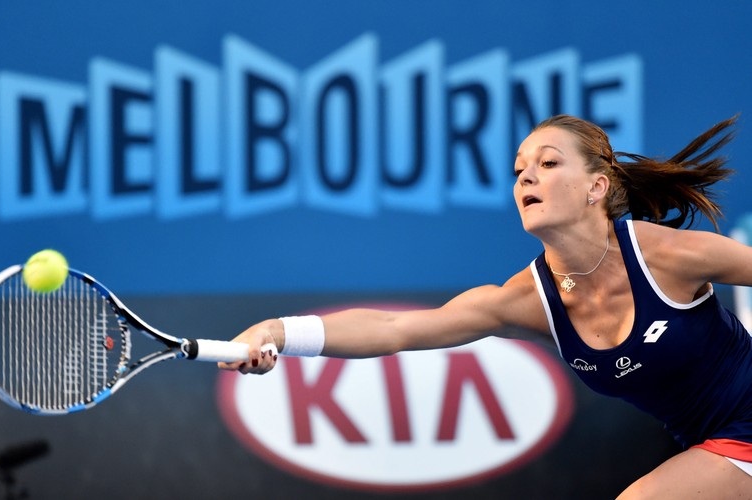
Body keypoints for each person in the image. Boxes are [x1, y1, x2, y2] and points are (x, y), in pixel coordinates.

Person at [220, 114, 752, 498]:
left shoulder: (666, 256)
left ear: (597, 187)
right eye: (519, 169)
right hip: (712, 448)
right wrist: (279, 331)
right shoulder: (526, 300)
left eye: (547, 163)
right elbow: (393, 329)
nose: (525, 177)